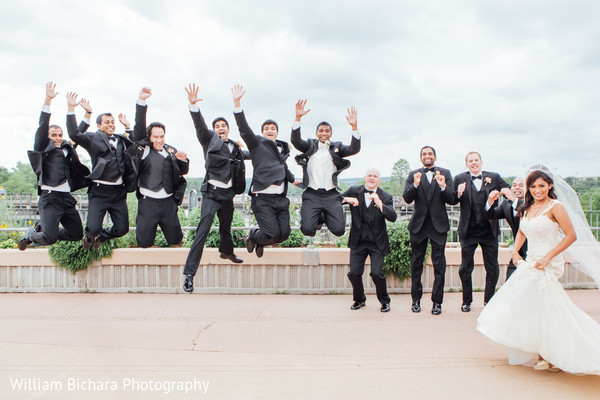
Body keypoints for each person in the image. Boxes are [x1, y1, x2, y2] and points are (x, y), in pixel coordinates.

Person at [477, 166, 600, 375]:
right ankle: (541, 352)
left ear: (550, 186)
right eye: (532, 186)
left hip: (547, 264)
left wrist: (548, 257)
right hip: (529, 263)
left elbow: (571, 236)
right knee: (527, 307)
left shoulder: (556, 207)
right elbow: (523, 231)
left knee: (549, 310)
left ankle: (551, 355)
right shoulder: (528, 207)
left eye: (541, 186)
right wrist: (515, 252)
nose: (537, 190)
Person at [182, 84, 246, 293]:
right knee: (202, 231)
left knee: (226, 228)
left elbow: (248, 158)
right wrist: (193, 106)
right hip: (211, 193)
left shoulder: (235, 147)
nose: (220, 128)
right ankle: (189, 274)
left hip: (227, 194)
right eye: (217, 125)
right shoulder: (208, 139)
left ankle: (226, 252)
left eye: (223, 126)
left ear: (228, 129)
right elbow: (199, 125)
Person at [19, 82, 90, 250]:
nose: (57, 138)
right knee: (49, 238)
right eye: (53, 135)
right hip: (50, 198)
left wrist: (87, 113)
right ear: (47, 137)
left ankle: (43, 230)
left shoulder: (66, 148)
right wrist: (48, 99)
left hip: (66, 199)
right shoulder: (43, 148)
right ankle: (31, 235)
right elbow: (43, 125)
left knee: (76, 234)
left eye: (59, 135)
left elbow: (77, 133)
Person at [231, 85, 295, 257]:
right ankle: (253, 235)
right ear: (262, 132)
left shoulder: (282, 148)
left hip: (280, 199)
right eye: (266, 128)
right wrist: (237, 104)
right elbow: (244, 129)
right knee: (273, 234)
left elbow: (283, 168)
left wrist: (293, 179)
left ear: (277, 132)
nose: (269, 130)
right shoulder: (257, 144)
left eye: (272, 128)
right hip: (263, 199)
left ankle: (259, 240)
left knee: (284, 234)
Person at [67, 92, 136, 250]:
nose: (111, 124)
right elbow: (74, 134)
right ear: (99, 125)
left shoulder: (121, 139)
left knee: (122, 229)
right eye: (107, 122)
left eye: (112, 122)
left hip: (119, 192)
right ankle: (91, 235)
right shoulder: (93, 138)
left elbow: (135, 145)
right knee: (92, 227)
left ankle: (100, 237)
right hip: (99, 191)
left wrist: (127, 127)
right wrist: (77, 110)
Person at [128, 87, 189, 248]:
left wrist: (182, 161)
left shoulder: (171, 151)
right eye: (155, 136)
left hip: (168, 202)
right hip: (148, 202)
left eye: (162, 136)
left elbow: (182, 172)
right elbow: (139, 127)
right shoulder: (145, 150)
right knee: (144, 242)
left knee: (176, 240)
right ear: (149, 137)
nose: (159, 140)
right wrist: (142, 102)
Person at [454, 151, 514, 312]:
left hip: (489, 230)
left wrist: (505, 196)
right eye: (470, 161)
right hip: (469, 230)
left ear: (481, 162)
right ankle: (466, 301)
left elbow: (508, 189)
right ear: (466, 164)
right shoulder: (459, 178)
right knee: (465, 268)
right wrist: (458, 193)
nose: (474, 163)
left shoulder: (493, 177)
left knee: (492, 267)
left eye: (476, 160)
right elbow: (452, 199)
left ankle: (489, 300)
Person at [291, 100, 360, 237]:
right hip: (312, 194)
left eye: (327, 131)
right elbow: (296, 141)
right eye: (321, 131)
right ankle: (318, 217)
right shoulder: (310, 146)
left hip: (331, 195)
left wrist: (354, 127)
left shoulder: (337, 147)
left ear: (331, 134)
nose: (324, 133)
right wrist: (298, 118)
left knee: (339, 230)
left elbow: (354, 148)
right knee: (308, 230)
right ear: (316, 133)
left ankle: (323, 215)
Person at [403, 146, 456, 315]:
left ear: (435, 157)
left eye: (430, 154)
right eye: (424, 154)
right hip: (418, 226)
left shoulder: (445, 173)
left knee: (439, 265)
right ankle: (416, 300)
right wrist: (416, 185)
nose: (427, 156)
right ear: (420, 158)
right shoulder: (413, 175)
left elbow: (452, 199)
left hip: (438, 226)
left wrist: (442, 187)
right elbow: (407, 197)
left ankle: (437, 302)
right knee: (416, 264)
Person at [342, 168, 397, 312]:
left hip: (377, 243)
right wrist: (347, 199)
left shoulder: (386, 196)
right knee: (354, 273)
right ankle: (359, 299)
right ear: (365, 177)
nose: (372, 178)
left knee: (376, 273)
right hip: (358, 241)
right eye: (370, 176)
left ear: (379, 180)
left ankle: (385, 301)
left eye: (375, 176)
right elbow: (335, 198)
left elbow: (393, 217)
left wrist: (380, 204)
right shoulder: (354, 190)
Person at [484, 177, 526, 281]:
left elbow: (525, 211)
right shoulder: (506, 204)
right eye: (514, 185)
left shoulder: (533, 203)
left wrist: (513, 198)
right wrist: (490, 201)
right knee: (510, 282)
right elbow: (490, 215)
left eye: (521, 185)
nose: (517, 187)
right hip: (517, 253)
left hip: (534, 252)